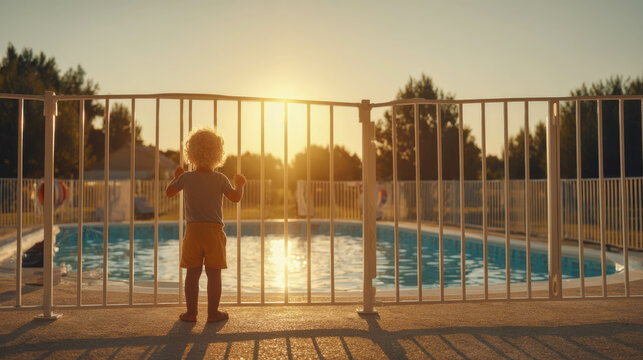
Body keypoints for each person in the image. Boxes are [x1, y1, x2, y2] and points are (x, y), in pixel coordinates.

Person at [166, 128, 245, 322]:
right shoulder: (220, 179)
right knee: (214, 274)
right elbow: (235, 198)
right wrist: (240, 185)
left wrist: (176, 178)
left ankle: (191, 313)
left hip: (193, 232)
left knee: (192, 274)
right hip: (213, 232)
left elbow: (169, 192)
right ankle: (213, 313)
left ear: (190, 153)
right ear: (218, 154)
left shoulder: (186, 178)